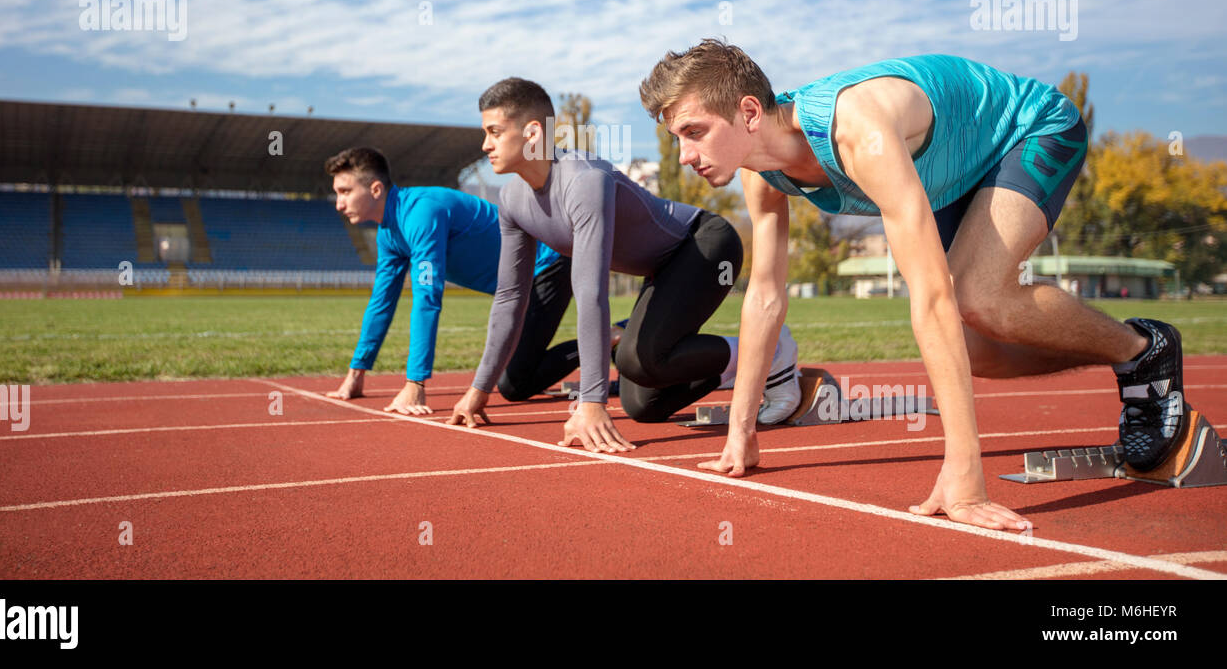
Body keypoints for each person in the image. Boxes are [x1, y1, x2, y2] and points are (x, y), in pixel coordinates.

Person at [639, 41, 1189, 531]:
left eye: (694, 132)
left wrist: (965, 477)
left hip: (1024, 129)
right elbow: (765, 295)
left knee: (977, 296)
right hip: (950, 175)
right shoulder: (763, 175)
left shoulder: (857, 133)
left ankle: (1144, 351)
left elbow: (930, 296)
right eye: (677, 137)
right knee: (976, 352)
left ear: (749, 112)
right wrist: (742, 432)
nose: (685, 155)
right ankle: (1124, 351)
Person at [448, 78, 802, 451]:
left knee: (640, 357)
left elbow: (590, 293)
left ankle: (773, 350)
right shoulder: (511, 201)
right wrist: (478, 390)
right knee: (643, 406)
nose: (486, 144)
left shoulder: (585, 180)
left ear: (533, 132)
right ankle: (732, 366)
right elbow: (510, 298)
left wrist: (591, 402)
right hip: (660, 270)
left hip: (704, 245)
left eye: (494, 132)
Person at [325, 147, 571, 413]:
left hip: (548, 266)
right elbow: (381, 303)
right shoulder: (389, 234)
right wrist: (355, 374)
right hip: (520, 286)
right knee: (516, 373)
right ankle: (616, 347)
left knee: (514, 385)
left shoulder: (422, 213)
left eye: (345, 192)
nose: (339, 203)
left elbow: (427, 298)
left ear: (375, 189)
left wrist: (414, 383)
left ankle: (611, 336)